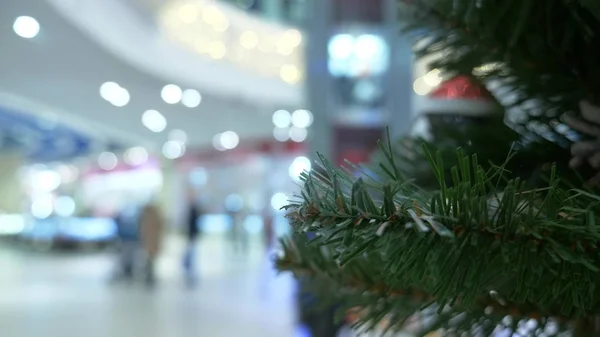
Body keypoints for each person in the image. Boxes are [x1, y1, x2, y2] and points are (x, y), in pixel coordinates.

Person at [111, 202, 140, 282]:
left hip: (130, 240)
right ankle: (127, 272)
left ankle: (128, 272)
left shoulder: (131, 219)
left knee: (129, 258)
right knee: (125, 258)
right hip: (126, 240)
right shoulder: (123, 219)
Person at [138, 199, 164, 287]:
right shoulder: (153, 217)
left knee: (149, 261)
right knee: (149, 261)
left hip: (149, 243)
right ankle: (149, 277)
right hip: (150, 243)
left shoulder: (146, 217)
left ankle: (149, 277)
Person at [183, 193, 202, 285]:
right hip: (191, 236)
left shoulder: (194, 210)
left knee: (192, 257)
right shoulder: (191, 209)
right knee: (190, 257)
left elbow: (195, 225)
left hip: (192, 237)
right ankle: (190, 274)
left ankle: (192, 275)